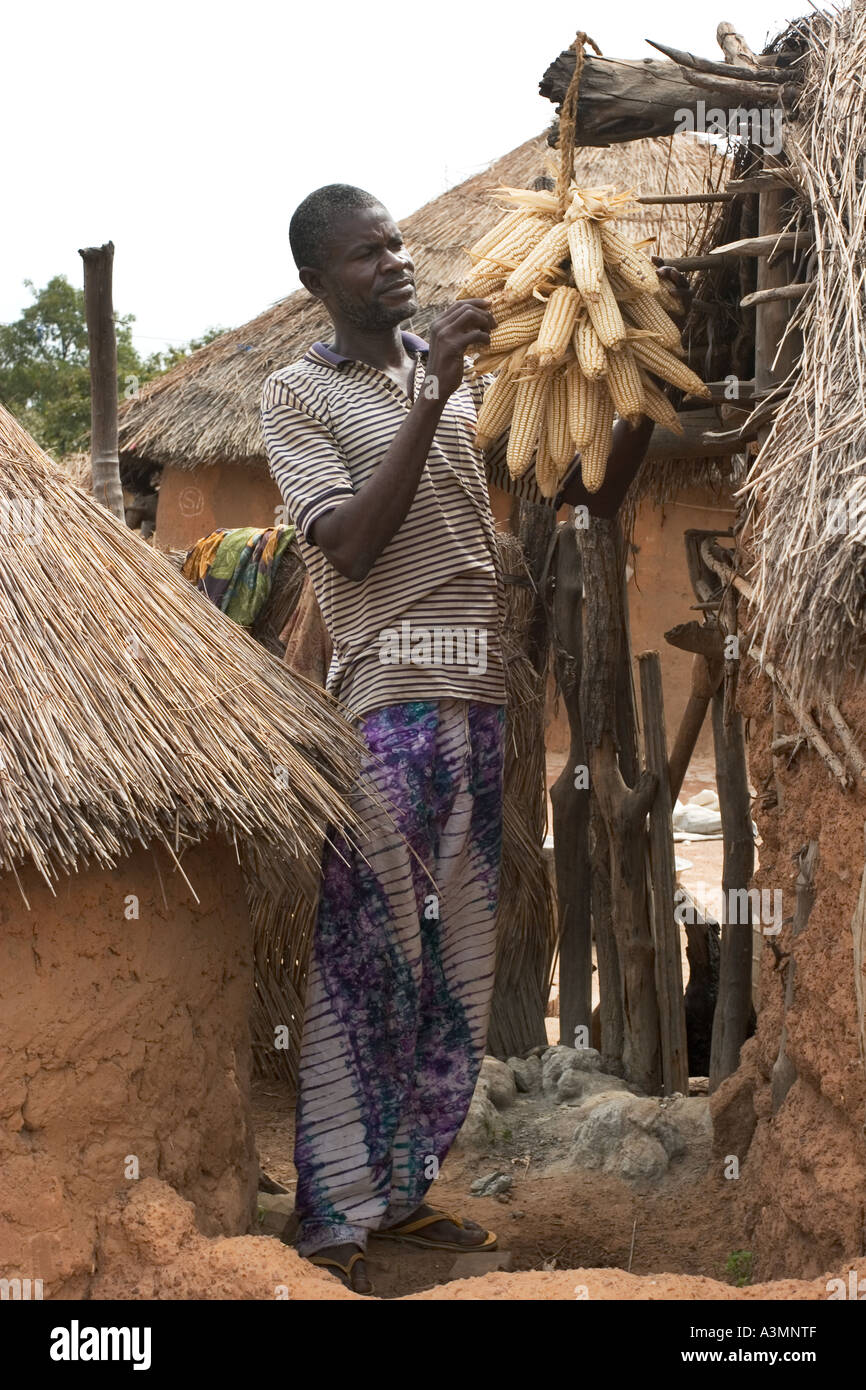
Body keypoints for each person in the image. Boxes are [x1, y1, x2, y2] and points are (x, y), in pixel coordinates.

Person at [261, 184, 688, 1293]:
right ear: (317, 281)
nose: (395, 261)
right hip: (388, 701)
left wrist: (632, 392)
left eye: (397, 242)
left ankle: (402, 1198)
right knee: (368, 954)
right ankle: (331, 1215)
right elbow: (348, 547)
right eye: (366, 254)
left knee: (451, 970)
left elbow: (581, 501)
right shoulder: (296, 396)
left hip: (480, 700)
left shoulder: (452, 382)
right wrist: (429, 396)